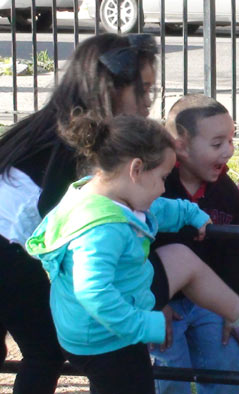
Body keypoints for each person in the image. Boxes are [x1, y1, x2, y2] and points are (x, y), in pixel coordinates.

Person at [24, 114, 239, 394]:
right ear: (136, 169)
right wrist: (145, 325)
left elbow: (153, 209)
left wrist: (189, 213)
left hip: (104, 329)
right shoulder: (102, 229)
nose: (164, 187)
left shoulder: (102, 192)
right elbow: (93, 292)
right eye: (163, 178)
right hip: (108, 340)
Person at [0, 33, 158, 394]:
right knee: (45, 352)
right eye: (143, 90)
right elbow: (65, 214)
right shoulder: (80, 140)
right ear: (111, 88)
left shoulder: (52, 124)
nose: (148, 103)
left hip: (13, 245)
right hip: (9, 251)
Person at [148, 95, 239, 394]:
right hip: (165, 304)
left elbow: (234, 251)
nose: (229, 151)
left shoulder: (226, 191)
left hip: (210, 301)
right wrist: (155, 303)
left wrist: (233, 304)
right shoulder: (156, 187)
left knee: (229, 371)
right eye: (217, 144)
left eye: (230, 140)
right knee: (167, 378)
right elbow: (141, 248)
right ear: (180, 144)